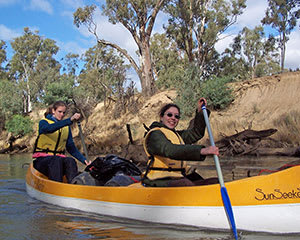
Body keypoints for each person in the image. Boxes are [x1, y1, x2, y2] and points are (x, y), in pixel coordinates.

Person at [143, 97, 219, 187]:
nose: (173, 118)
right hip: (157, 179)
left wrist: (200, 112)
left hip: (178, 176)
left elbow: (196, 133)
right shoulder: (155, 134)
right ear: (161, 117)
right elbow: (170, 150)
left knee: (214, 182)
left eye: (177, 116)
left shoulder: (177, 135)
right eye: (169, 115)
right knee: (185, 184)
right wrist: (202, 151)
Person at [32, 101, 91, 183]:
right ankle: (56, 187)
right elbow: (49, 128)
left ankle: (73, 186)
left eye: (63, 112)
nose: (62, 114)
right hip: (42, 161)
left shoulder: (66, 128)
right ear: (53, 111)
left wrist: (84, 160)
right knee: (56, 160)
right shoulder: (44, 123)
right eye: (59, 112)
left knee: (70, 161)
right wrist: (69, 120)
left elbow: (71, 149)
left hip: (58, 161)